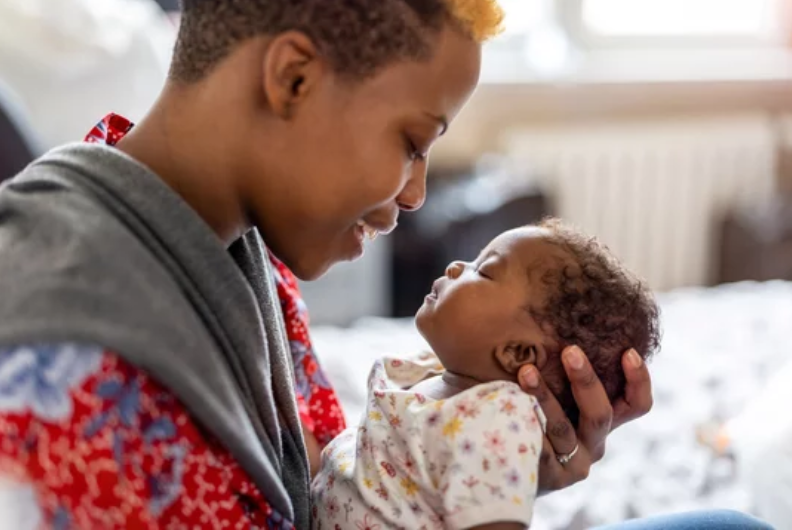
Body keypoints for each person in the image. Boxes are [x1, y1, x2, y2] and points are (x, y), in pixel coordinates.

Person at [0, 0, 772, 528]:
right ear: (292, 78)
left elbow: (333, 488)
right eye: (412, 141)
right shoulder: (80, 380)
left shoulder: (220, 240)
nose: (415, 193)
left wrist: (489, 472)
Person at [311, 221, 661, 529]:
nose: (454, 266)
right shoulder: (433, 373)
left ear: (518, 354)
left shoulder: (497, 420)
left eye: (483, 271)